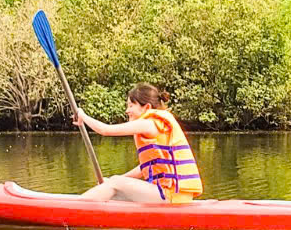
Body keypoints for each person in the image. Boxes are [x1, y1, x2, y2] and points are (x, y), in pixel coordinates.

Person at [74, 83, 203, 203]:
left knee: (115, 185)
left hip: (171, 195)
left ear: (146, 107)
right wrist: (115, 179)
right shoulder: (156, 125)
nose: (127, 111)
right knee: (115, 187)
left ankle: (73, 210)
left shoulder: (149, 123)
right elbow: (144, 168)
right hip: (176, 196)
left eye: (131, 105)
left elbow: (105, 130)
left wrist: (83, 116)